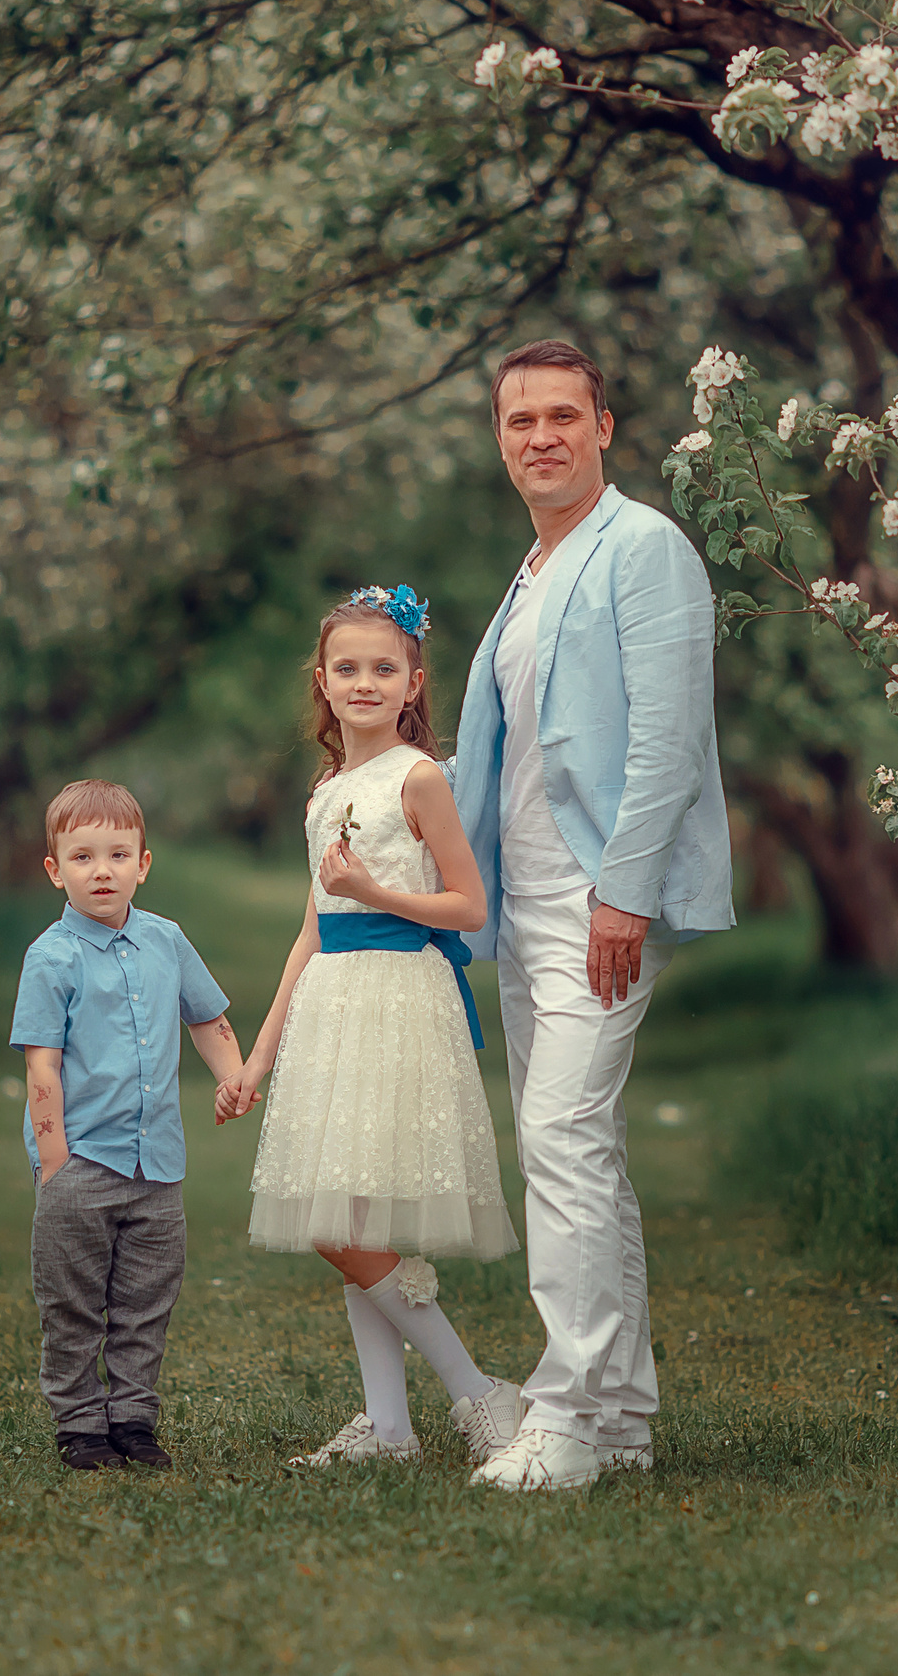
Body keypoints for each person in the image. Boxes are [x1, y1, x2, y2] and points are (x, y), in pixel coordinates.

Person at [451, 339, 735, 1492]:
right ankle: (619, 1419)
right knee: (586, 1151)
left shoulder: (645, 549)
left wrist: (622, 893)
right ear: (501, 439)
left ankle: (564, 1412)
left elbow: (666, 741)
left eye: (563, 416)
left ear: (606, 427)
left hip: (594, 895)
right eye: (520, 422)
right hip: (525, 899)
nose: (541, 438)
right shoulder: (530, 572)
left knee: (560, 1136)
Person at [218, 587, 528, 1468]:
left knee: (344, 1220)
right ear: (322, 680)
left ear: (413, 682)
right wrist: (259, 1056)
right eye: (347, 667)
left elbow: (467, 905)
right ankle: (390, 1426)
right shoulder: (327, 789)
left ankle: (475, 1391)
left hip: (398, 996)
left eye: (383, 668)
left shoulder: (417, 777)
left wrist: (375, 893)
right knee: (345, 1210)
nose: (364, 682)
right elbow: (313, 926)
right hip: (333, 1003)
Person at [12, 778, 243, 1471]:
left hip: (157, 1166)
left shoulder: (165, 940)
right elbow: (41, 1068)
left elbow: (206, 1017)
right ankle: (81, 1423)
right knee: (75, 1302)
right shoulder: (51, 958)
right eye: (82, 857)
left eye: (118, 854)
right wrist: (54, 1162)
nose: (102, 869)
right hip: (81, 1163)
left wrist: (230, 1074)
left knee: (145, 1300)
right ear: (55, 870)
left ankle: (134, 1418)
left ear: (144, 862)